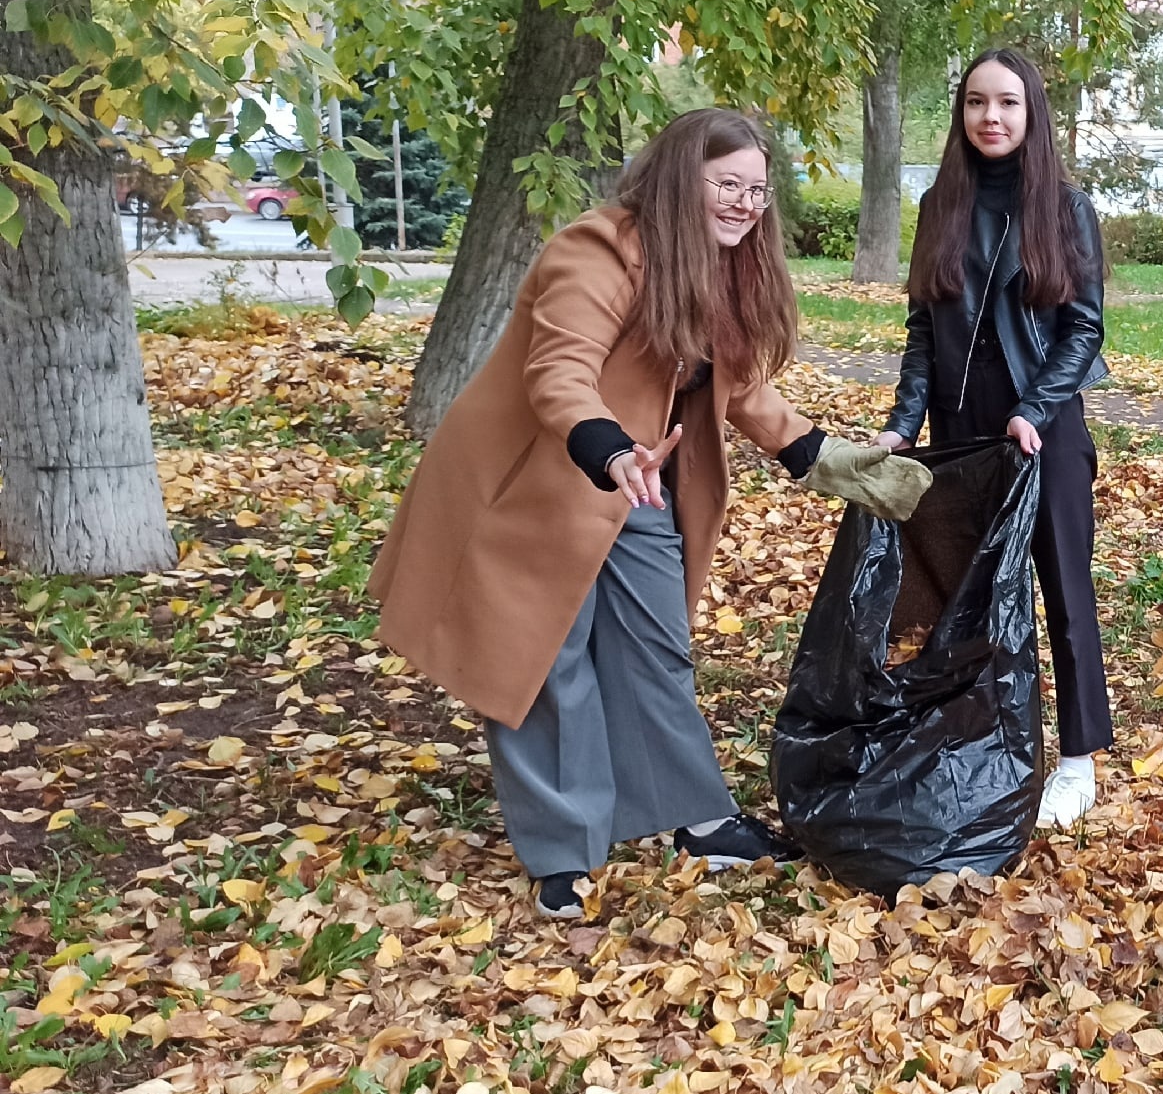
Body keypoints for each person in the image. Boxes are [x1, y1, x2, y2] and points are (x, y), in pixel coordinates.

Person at [369, 107, 927, 920]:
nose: (744, 204)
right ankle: (564, 848)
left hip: (638, 484)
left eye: (757, 191)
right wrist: (610, 450)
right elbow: (560, 371)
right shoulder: (597, 250)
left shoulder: (722, 268)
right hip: (543, 480)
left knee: (657, 647)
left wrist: (824, 457)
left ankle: (694, 818)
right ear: (677, 179)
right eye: (727, 184)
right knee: (549, 659)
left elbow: (742, 387)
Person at [877, 48, 1113, 828]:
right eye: (977, 101)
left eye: (1008, 102)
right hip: (961, 433)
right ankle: (983, 742)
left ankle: (1077, 763)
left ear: (1031, 112)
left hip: (1044, 431)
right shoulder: (939, 205)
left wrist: (1034, 408)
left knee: (1064, 590)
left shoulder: (1065, 209)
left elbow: (1084, 329)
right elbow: (922, 328)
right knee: (971, 597)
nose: (991, 116)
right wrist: (903, 422)